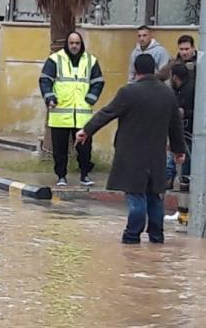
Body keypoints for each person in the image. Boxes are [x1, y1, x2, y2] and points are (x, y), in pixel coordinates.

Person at [76, 54, 186, 244]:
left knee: (136, 197)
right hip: (156, 156)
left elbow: (107, 113)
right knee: (155, 196)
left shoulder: (129, 92)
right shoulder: (167, 94)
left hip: (132, 155)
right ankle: (156, 237)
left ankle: (132, 236)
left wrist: (86, 130)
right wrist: (179, 150)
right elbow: (175, 125)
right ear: (153, 69)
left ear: (136, 71)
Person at [39, 32, 105, 187]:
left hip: (82, 115)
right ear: (67, 44)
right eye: (71, 43)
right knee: (60, 150)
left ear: (81, 44)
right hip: (60, 114)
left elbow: (98, 81)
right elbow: (45, 80)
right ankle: (61, 176)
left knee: (84, 149)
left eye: (77, 43)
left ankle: (85, 175)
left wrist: (91, 97)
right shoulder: (55, 59)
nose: (74, 46)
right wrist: (50, 97)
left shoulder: (90, 60)